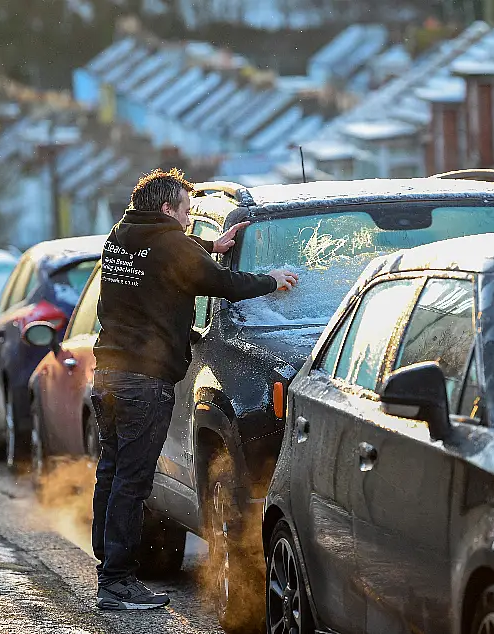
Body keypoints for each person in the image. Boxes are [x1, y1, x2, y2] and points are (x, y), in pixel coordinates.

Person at [90, 168, 298, 611]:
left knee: (111, 473)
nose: (188, 218)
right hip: (143, 383)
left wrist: (209, 246)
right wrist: (271, 279)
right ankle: (116, 583)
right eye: (185, 210)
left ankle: (108, 569)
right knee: (133, 480)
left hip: (108, 374)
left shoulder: (119, 236)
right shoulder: (169, 244)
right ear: (167, 209)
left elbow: (170, 254)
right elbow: (221, 283)